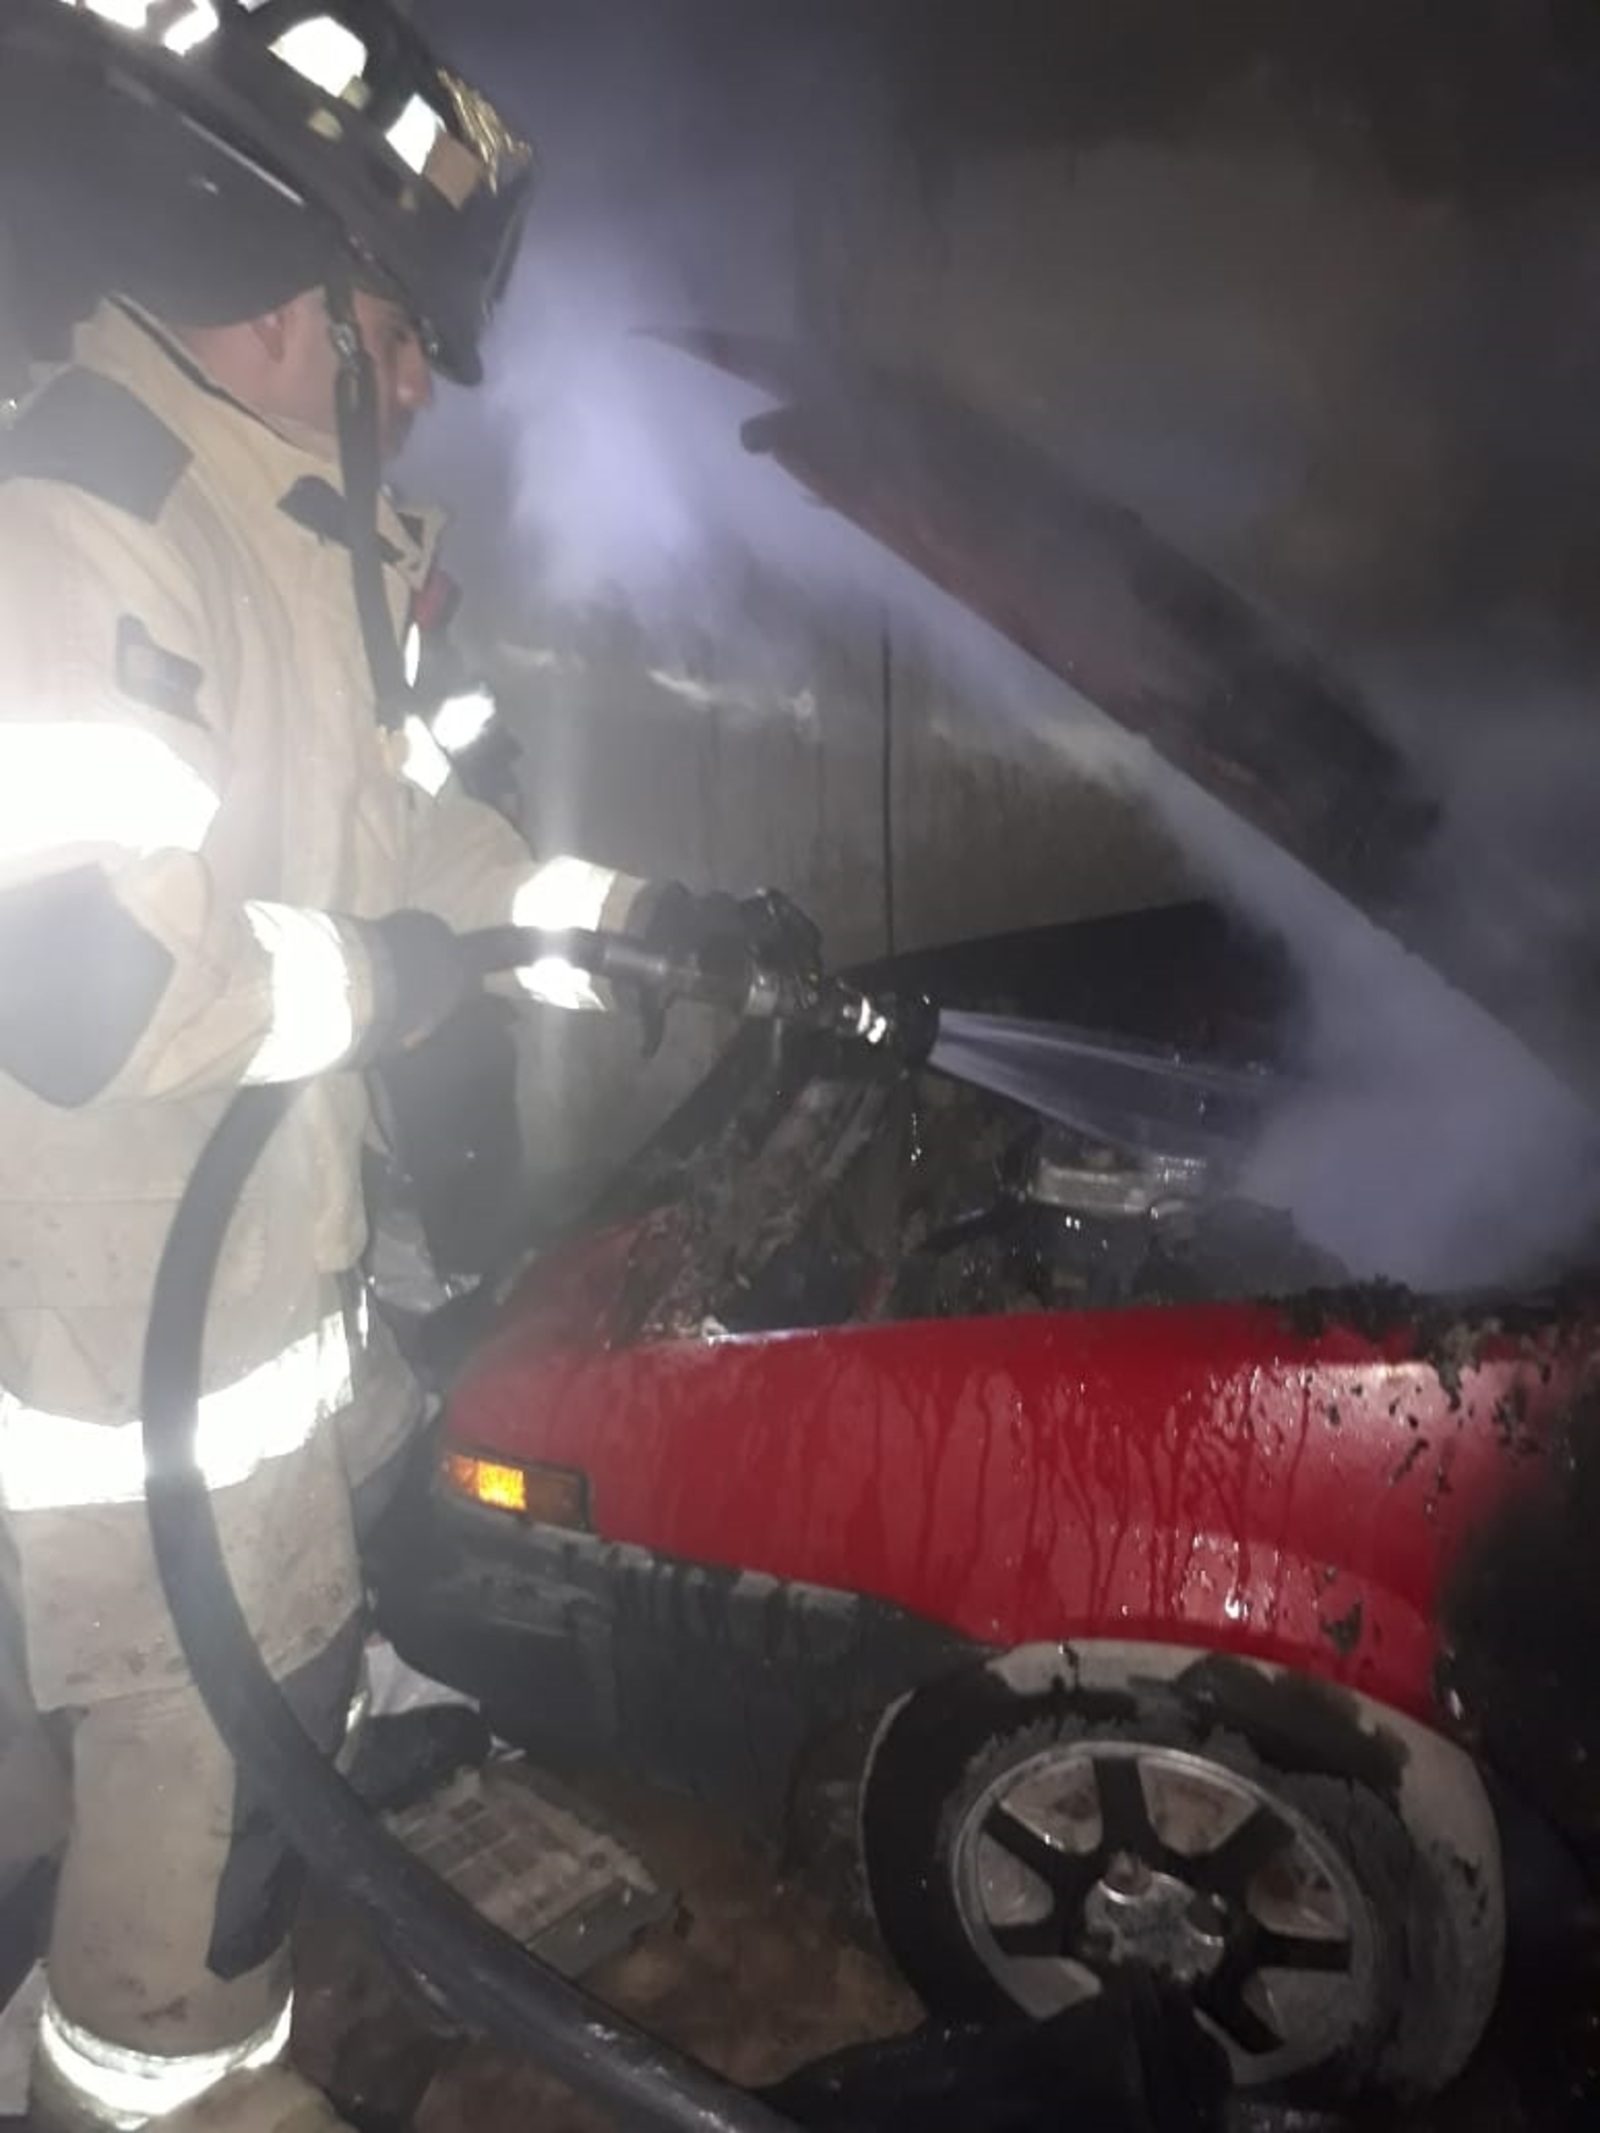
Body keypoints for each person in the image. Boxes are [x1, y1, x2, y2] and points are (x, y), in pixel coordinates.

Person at [0, 5, 817, 2129]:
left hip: (246, 1303)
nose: (425, 385)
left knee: (189, 1726)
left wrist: (612, 920)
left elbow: (404, 843)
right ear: (285, 296)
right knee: (204, 1773)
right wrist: (395, 983)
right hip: (119, 1371)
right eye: (399, 331)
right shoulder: (79, 532)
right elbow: (81, 990)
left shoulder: (288, 525)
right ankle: (156, 2087)